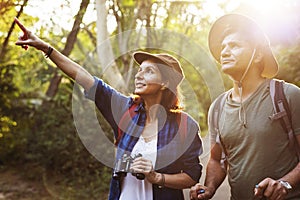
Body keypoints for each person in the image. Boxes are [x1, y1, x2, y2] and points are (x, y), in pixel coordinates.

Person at [14, 18, 203, 200]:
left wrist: (156, 177)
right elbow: (83, 76)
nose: (139, 76)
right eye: (139, 70)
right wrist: (45, 48)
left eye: (149, 71)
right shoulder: (123, 110)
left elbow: (191, 176)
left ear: (165, 83)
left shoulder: (184, 125)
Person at [190, 14, 300, 200]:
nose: (224, 52)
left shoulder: (287, 95)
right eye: (223, 47)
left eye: (234, 46)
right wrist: (209, 188)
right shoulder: (217, 108)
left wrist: (285, 183)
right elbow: (217, 160)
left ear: (257, 55)